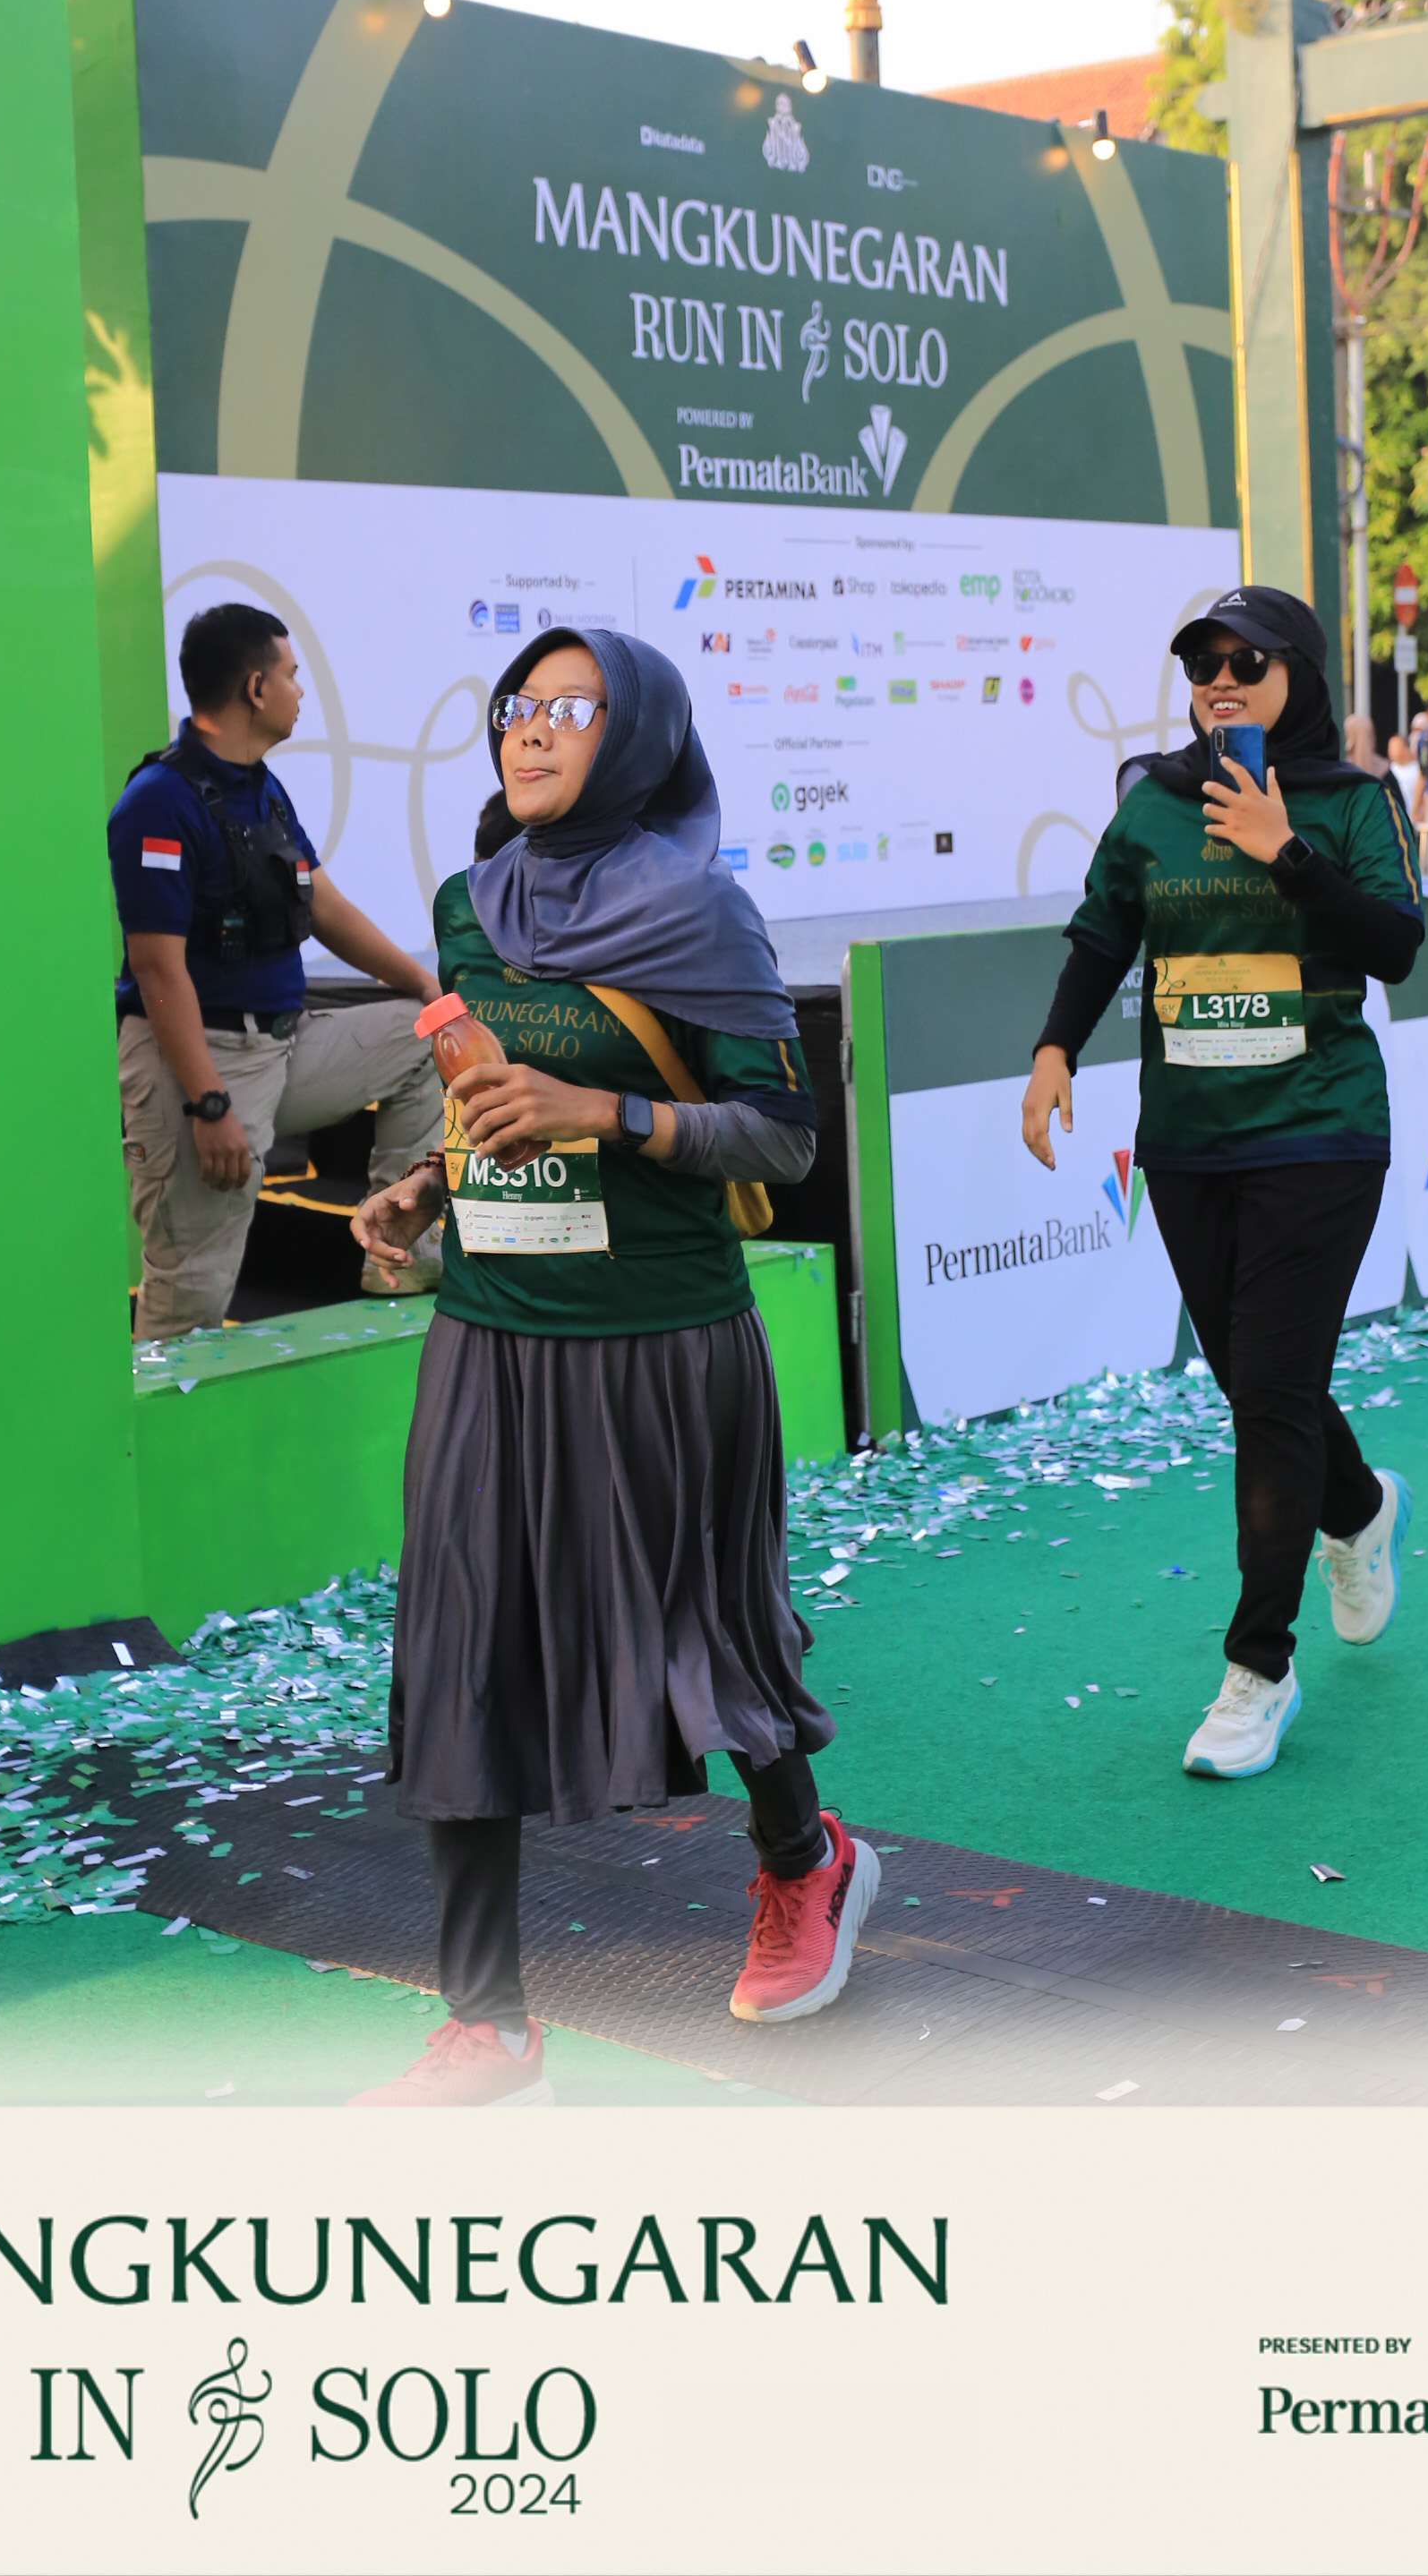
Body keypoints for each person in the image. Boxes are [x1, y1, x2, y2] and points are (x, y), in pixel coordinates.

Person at [348, 629, 868, 2107]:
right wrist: (429, 1187)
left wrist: (609, 1114)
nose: (530, 729)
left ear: (635, 733)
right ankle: (486, 2020)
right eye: (518, 704)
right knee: (458, 1650)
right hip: (489, 1340)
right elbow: (482, 1102)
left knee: (706, 1638)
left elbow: (782, 1139)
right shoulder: (467, 906)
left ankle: (804, 1859)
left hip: (661, 1345)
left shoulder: (704, 913)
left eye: (570, 708)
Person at [1021, 586, 1426, 1777]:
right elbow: (1103, 934)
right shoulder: (1154, 799)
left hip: (1321, 1132)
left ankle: (1258, 1670)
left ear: (1299, 673)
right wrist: (1052, 1051)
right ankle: (1357, 1511)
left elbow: (1396, 945)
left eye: (1248, 661)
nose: (1221, 681)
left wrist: (1282, 849)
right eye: (1203, 664)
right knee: (1258, 1384)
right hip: (1189, 1141)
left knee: (1272, 1397)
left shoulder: (1352, 800)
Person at [110, 602, 443, 1340]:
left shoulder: (260, 786)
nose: (301, 691)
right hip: (199, 1067)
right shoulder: (156, 803)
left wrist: (428, 988)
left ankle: (398, 1252)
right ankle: (165, 1414)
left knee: (424, 1036)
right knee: (190, 1299)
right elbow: (157, 971)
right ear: (256, 688)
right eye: (292, 675)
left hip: (282, 1048)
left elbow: (324, 906)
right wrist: (209, 1107)